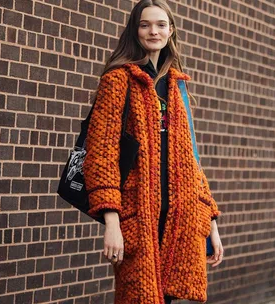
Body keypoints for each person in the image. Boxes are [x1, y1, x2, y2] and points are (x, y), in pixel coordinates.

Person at [83, 1, 224, 303]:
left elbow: (192, 161)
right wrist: (112, 223)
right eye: (145, 24)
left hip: (180, 222)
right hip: (138, 218)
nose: (153, 31)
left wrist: (210, 223)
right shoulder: (118, 80)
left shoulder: (177, 86)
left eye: (161, 24)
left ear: (171, 31)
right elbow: (101, 155)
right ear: (135, 31)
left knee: (169, 298)